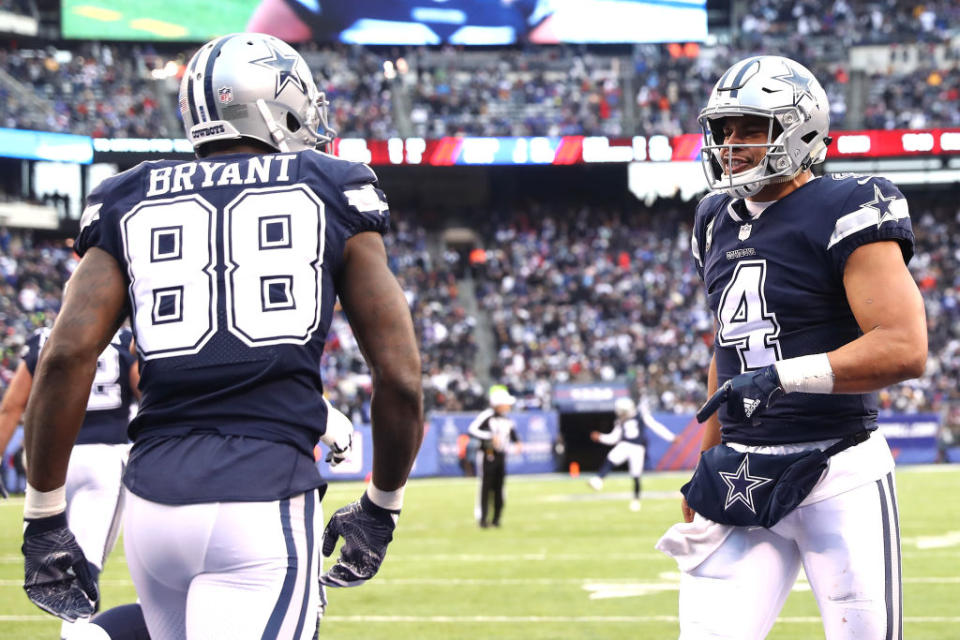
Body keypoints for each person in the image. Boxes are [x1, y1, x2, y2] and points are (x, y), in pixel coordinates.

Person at [21, 32, 423, 640]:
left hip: (154, 508)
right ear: (269, 102)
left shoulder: (126, 196)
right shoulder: (330, 185)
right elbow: (400, 377)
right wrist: (381, 508)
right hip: (261, 495)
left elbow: (65, 356)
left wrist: (44, 516)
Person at [656, 55, 926, 639]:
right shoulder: (712, 218)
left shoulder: (849, 204)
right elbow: (727, 355)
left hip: (838, 467)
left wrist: (784, 376)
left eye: (751, 127)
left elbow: (905, 347)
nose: (732, 144)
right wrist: (707, 457)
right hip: (742, 470)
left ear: (798, 127)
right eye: (725, 129)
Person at [0, 324, 139, 640]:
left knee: (61, 563)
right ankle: (76, 633)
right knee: (85, 569)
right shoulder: (123, 341)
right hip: (104, 457)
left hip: (50, 462)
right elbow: (150, 395)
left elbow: (11, 406)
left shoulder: (44, 338)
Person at [588, 397, 675, 512]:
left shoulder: (641, 416)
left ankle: (636, 500)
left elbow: (656, 427)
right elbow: (614, 438)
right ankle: (599, 479)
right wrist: (601, 437)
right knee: (611, 457)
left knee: (636, 474)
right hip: (625, 444)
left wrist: (671, 437)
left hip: (637, 448)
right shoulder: (621, 421)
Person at [468, 387, 520, 528]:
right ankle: (483, 519)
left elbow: (512, 433)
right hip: (487, 454)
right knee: (485, 487)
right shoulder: (487, 416)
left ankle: (497, 518)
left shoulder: (507, 419)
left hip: (501, 455)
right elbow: (472, 429)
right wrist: (490, 437)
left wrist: (517, 443)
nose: (508, 406)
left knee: (499, 487)